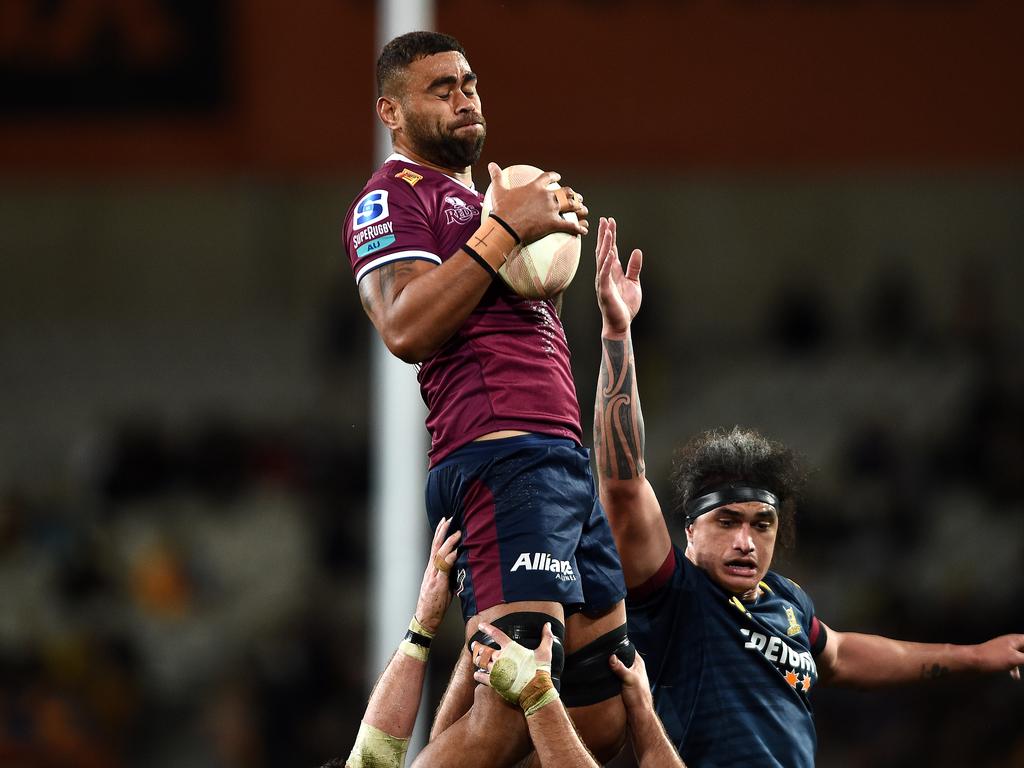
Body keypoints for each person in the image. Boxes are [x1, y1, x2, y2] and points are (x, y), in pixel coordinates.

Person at [590, 217, 1024, 767]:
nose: (746, 541)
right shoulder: (675, 595)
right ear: (691, 530)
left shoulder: (788, 603)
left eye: (761, 524)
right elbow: (623, 486)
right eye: (727, 521)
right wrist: (617, 333)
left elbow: (841, 652)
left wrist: (975, 656)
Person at [342, 31, 631, 766]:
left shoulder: (481, 202)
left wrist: (551, 269)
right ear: (392, 112)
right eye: (440, 88)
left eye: (468, 82)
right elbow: (405, 327)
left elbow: (509, 323)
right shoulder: (390, 198)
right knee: (508, 704)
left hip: (560, 462)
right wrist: (504, 232)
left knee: (601, 710)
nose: (464, 96)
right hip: (498, 458)